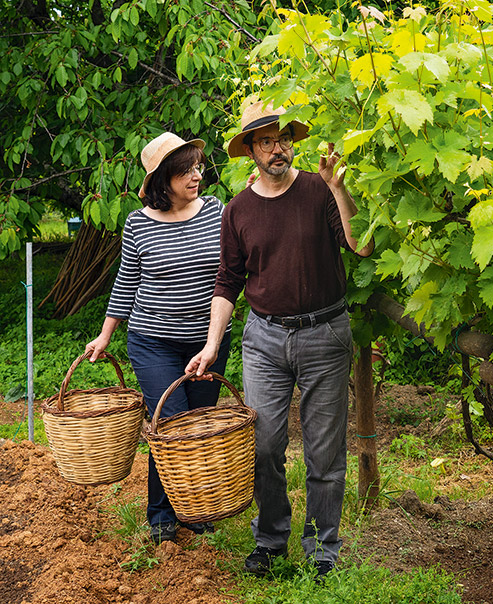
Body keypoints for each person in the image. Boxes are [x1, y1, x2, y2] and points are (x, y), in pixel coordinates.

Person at [186, 100, 374, 580]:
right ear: (250, 150)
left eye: (284, 138)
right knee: (264, 446)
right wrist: (211, 345)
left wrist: (339, 187)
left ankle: (321, 549)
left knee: (324, 452)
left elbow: (362, 245)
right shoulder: (238, 210)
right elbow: (228, 280)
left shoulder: (318, 190)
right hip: (264, 340)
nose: (278, 148)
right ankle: (270, 541)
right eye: (266, 141)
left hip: (325, 334)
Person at [85, 132, 231, 544]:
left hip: (207, 344)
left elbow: (228, 272)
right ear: (163, 180)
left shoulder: (215, 212)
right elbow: (126, 283)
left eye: (197, 167)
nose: (196, 176)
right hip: (154, 343)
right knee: (170, 424)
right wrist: (104, 336)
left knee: (199, 426)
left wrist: (214, 340)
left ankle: (195, 507)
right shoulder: (138, 223)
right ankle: (162, 513)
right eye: (185, 171)